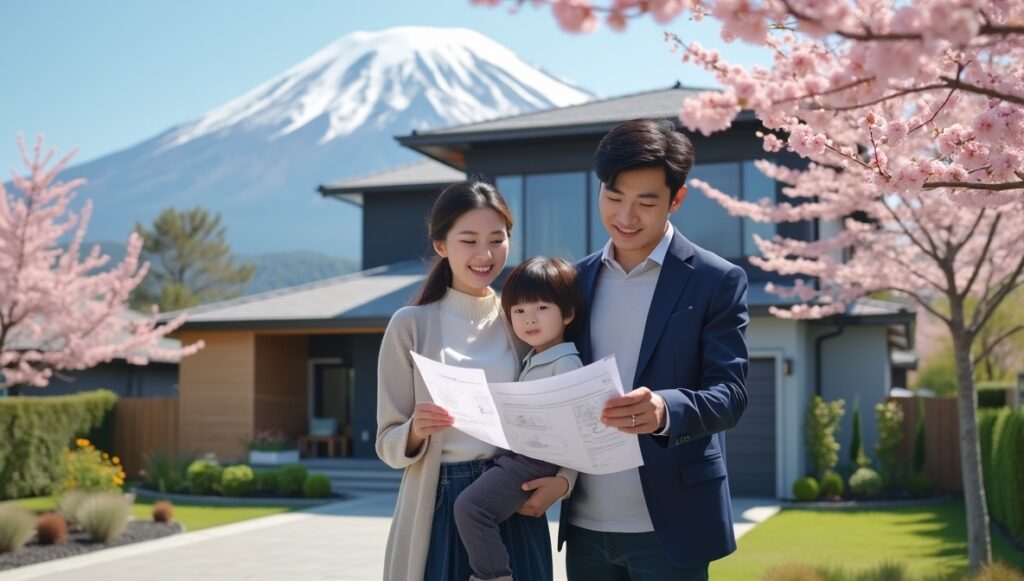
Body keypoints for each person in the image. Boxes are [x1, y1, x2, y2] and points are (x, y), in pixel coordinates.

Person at [559, 118, 750, 581]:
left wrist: (666, 408)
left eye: (645, 202)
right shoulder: (574, 282)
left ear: (676, 199)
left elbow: (731, 393)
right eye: (613, 197)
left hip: (671, 527)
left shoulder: (715, 280)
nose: (625, 217)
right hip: (584, 526)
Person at [375, 181, 572, 581]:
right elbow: (387, 443)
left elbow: (568, 414)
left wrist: (564, 483)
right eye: (469, 240)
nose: (485, 255)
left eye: (496, 240)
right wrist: (415, 430)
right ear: (441, 246)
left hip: (513, 496)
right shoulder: (410, 327)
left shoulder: (522, 321)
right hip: (438, 503)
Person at [454, 257, 586, 581]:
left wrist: (565, 480)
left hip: (533, 462)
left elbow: (581, 430)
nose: (529, 319)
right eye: (519, 311)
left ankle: (494, 576)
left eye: (541, 308)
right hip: (516, 456)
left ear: (567, 313)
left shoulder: (567, 365)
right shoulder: (532, 358)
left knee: (471, 508)